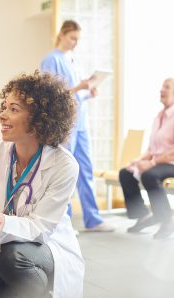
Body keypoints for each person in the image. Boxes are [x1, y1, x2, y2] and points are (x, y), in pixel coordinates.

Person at [0, 71, 84, 298]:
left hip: (48, 246)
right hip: (4, 240)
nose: (2, 116)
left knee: (13, 255)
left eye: (14, 109)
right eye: (4, 107)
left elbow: (41, 227)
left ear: (39, 118)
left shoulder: (64, 165)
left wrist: (4, 224)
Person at [40, 19, 114, 232]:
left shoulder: (73, 61)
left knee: (85, 169)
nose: (75, 43)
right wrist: (78, 86)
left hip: (80, 123)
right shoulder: (51, 60)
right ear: (62, 35)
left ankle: (93, 218)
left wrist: (87, 92)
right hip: (66, 125)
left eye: (78, 39)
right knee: (65, 171)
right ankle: (64, 223)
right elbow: (50, 95)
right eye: (72, 38)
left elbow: (74, 95)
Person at [119, 78, 174, 239]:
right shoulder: (159, 116)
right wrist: (136, 160)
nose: (162, 90)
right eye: (162, 86)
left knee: (149, 175)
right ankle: (143, 216)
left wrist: (152, 163)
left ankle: (168, 220)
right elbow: (152, 149)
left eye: (167, 87)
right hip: (160, 162)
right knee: (126, 173)